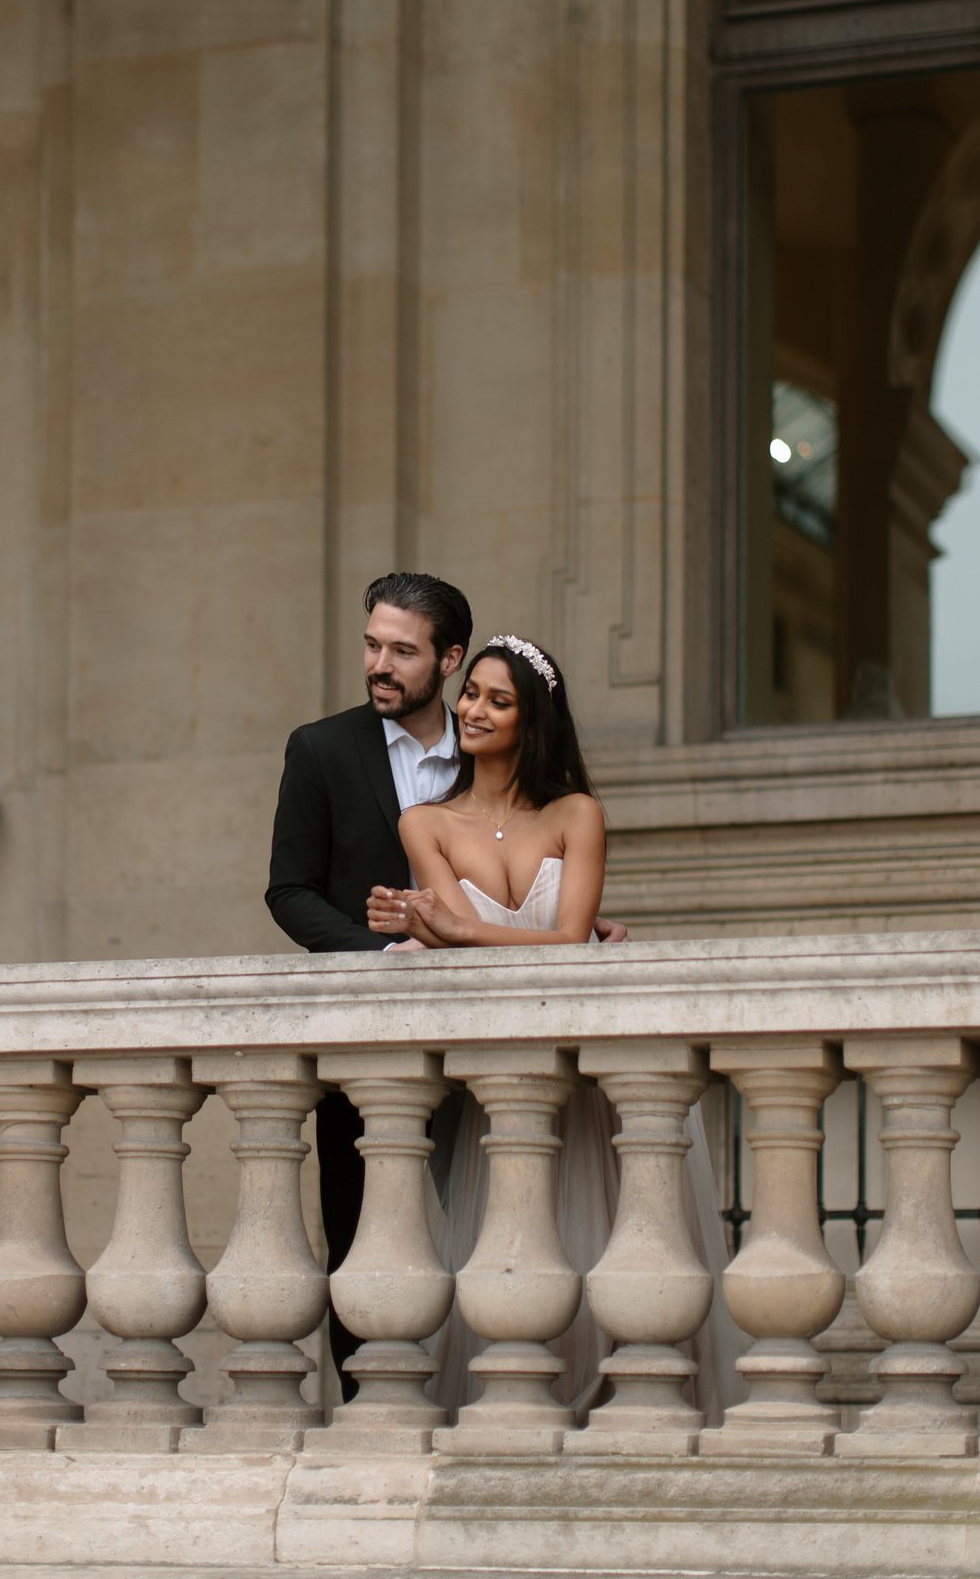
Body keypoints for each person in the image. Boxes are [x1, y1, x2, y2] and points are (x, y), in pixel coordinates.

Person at [365, 633, 739, 1418]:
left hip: (592, 1072)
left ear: (531, 725)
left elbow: (565, 946)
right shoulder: (422, 823)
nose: (472, 710)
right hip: (506, 1076)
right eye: (470, 693)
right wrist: (464, 939)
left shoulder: (577, 814)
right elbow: (508, 956)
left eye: (497, 701)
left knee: (615, 1247)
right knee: (513, 1255)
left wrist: (462, 932)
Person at [266, 571, 474, 1392]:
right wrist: (381, 958)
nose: (379, 664)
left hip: (479, 1029)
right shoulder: (318, 749)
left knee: (491, 1221)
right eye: (371, 644)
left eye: (402, 650)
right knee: (357, 1231)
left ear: (449, 659)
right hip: (359, 1036)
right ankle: (364, 1407)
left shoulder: (492, 743)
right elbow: (290, 893)